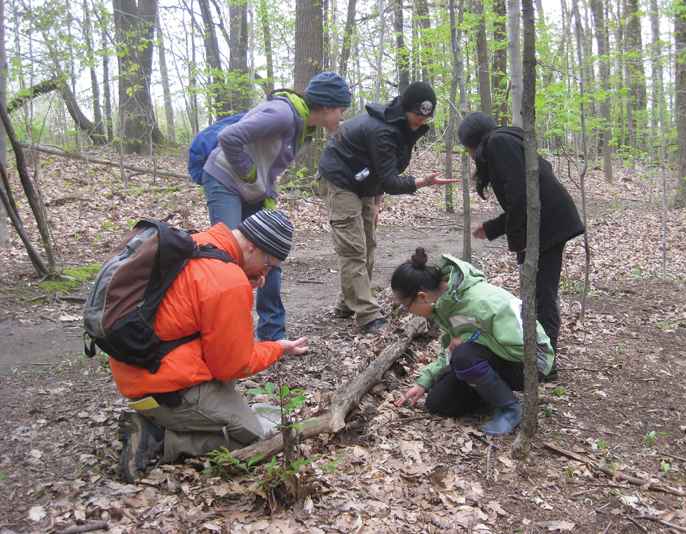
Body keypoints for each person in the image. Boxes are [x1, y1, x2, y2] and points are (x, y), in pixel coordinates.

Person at [113, 210, 309, 483]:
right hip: (165, 387)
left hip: (136, 372)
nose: (264, 275)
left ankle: (162, 423)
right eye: (267, 264)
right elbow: (231, 366)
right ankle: (157, 438)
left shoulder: (199, 242)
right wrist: (276, 348)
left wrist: (243, 279)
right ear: (252, 245)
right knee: (256, 440)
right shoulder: (227, 280)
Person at [201, 72, 352, 342]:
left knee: (271, 257)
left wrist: (266, 192)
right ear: (327, 106)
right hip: (225, 178)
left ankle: (272, 336)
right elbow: (229, 137)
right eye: (341, 109)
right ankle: (231, 335)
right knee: (227, 257)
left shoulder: (306, 127)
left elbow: (267, 160)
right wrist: (248, 174)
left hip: (254, 189)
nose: (342, 117)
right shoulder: (283, 114)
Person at [317, 81, 459, 334]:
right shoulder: (383, 130)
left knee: (369, 244)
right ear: (406, 109)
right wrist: (425, 181)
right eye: (419, 115)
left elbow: (384, 171)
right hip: (339, 179)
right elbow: (390, 181)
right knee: (354, 249)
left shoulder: (403, 127)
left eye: (428, 117)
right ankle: (366, 314)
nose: (423, 121)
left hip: (363, 183)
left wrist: (376, 205)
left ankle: (346, 304)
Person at [457, 112, 584, 378]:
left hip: (547, 224)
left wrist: (519, 239)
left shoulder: (498, 142)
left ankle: (545, 364)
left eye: (465, 148)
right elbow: (523, 195)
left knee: (541, 294)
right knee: (538, 292)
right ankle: (540, 357)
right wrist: (493, 228)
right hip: (547, 220)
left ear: (472, 141)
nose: (467, 154)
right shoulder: (505, 138)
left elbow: (520, 195)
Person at [392, 248, 555, 435]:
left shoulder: (480, 301)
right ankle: (492, 391)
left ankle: (510, 409)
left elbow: (523, 347)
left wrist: (469, 339)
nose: (408, 312)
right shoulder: (445, 305)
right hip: (494, 359)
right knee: (438, 403)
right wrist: (425, 380)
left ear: (423, 296)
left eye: (407, 306)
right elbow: (450, 349)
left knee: (464, 354)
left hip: (531, 362)